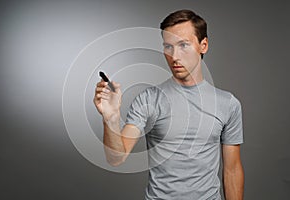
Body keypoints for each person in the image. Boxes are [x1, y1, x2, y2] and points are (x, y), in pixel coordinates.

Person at [94, 9, 244, 200]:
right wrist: (111, 118)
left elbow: (232, 170)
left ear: (203, 45)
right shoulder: (149, 99)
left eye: (183, 45)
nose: (174, 56)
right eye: (168, 47)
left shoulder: (228, 104)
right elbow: (117, 158)